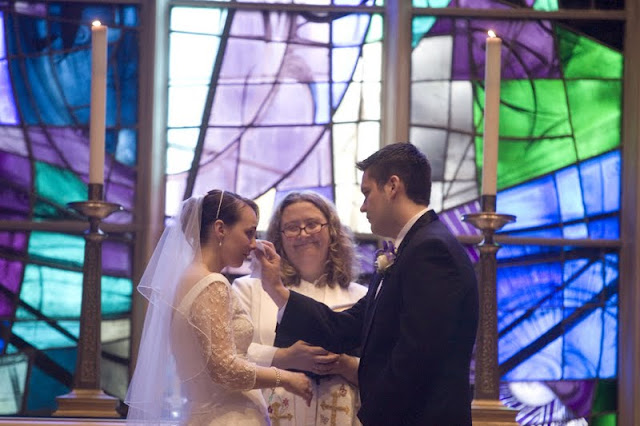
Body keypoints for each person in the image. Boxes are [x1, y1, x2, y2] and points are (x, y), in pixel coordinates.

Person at [257, 143, 479, 425]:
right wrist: (279, 292)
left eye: (367, 193)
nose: (363, 207)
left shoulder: (431, 250)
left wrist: (370, 416)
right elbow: (346, 327)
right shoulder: (408, 250)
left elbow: (417, 356)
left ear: (392, 186)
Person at [125, 189, 312, 425]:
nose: (253, 245)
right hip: (227, 417)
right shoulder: (212, 283)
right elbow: (225, 368)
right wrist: (285, 378)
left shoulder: (184, 280)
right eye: (249, 233)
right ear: (220, 229)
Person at [233, 191, 367, 425]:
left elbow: (382, 372)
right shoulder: (249, 289)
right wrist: (284, 357)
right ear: (279, 237)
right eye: (292, 228)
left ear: (332, 231)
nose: (303, 234)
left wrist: (345, 364)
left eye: (312, 224)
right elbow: (229, 356)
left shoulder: (360, 296)